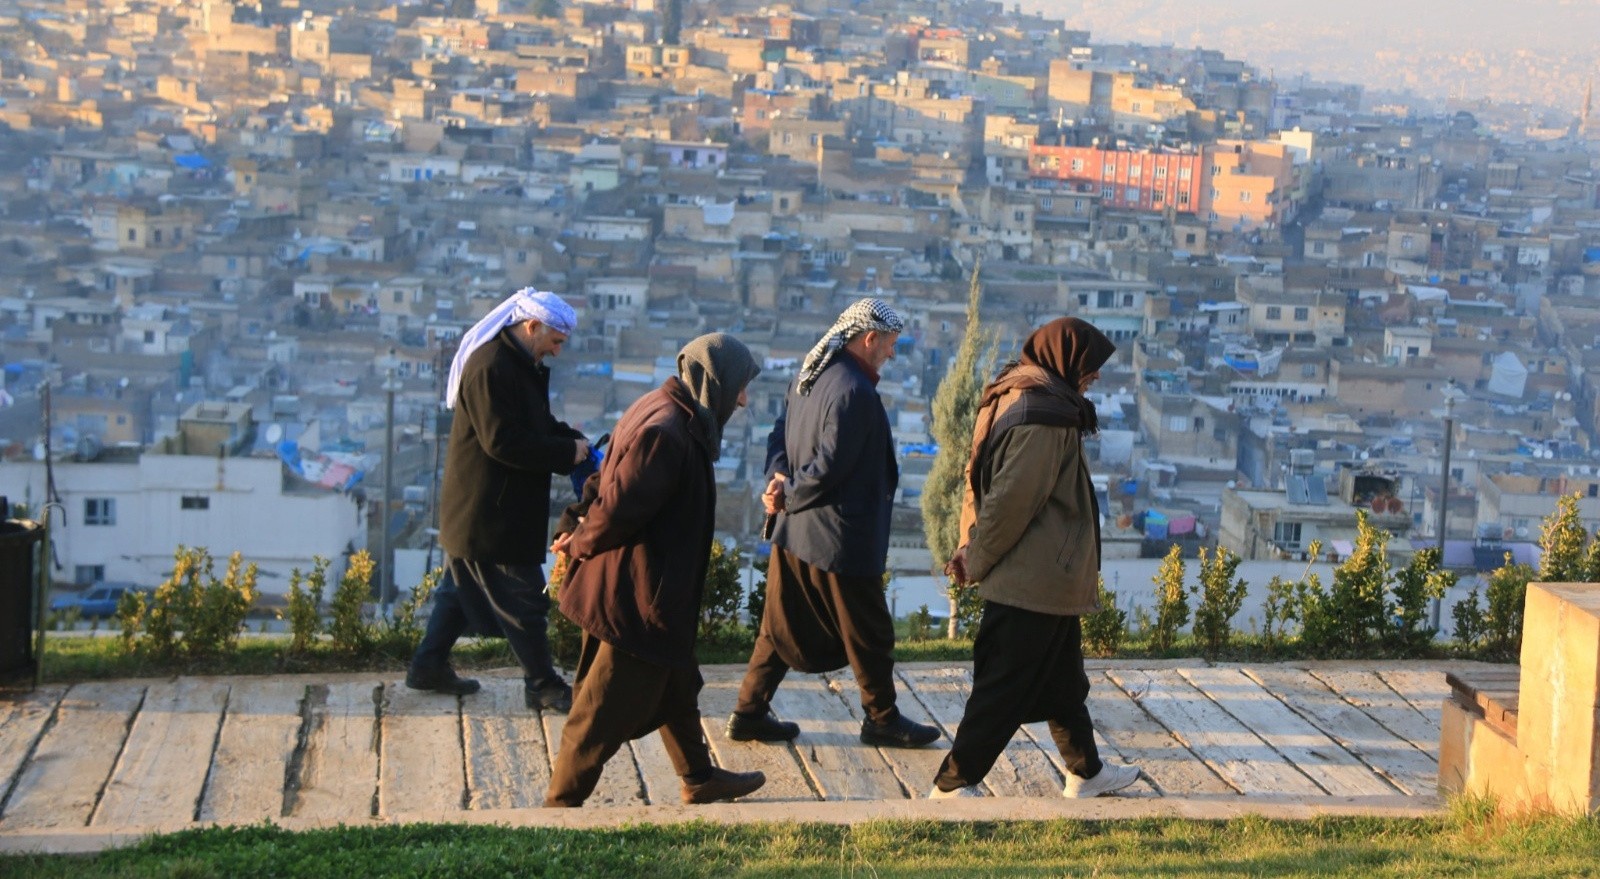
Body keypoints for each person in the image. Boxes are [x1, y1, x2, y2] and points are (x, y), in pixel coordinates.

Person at [545, 333, 767, 807]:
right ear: (715, 384)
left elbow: (603, 482)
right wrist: (578, 540)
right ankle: (559, 807)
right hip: (639, 601)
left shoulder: (660, 409)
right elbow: (618, 506)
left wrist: (575, 528)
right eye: (739, 388)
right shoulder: (666, 433)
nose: (743, 400)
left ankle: (699, 777)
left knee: (678, 684)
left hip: (653, 592)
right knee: (597, 714)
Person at [928, 317, 1141, 799]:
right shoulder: (1045, 415)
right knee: (1002, 689)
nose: (1095, 376)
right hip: (1033, 579)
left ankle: (1085, 772)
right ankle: (952, 785)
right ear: (1065, 360)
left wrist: (968, 543)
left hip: (1045, 575)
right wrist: (975, 557)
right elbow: (1010, 502)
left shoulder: (1016, 391)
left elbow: (975, 475)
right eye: (1090, 365)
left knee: (1064, 682)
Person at [726, 298, 939, 749]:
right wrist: (787, 491)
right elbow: (828, 468)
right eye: (890, 344)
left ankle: (749, 712)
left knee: (778, 627)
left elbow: (778, 437)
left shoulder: (810, 375)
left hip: (794, 535)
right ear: (868, 339)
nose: (892, 354)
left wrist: (778, 480)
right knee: (870, 634)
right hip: (839, 539)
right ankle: (881, 719)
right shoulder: (854, 393)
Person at [405, 288, 590, 713]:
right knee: (525, 599)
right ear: (532, 326)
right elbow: (502, 441)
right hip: (489, 513)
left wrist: (570, 441)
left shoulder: (518, 364)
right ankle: (542, 683)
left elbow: (535, 424)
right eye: (556, 340)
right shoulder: (491, 367)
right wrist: (566, 454)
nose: (557, 351)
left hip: (487, 508)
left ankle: (427, 665)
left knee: (457, 593)